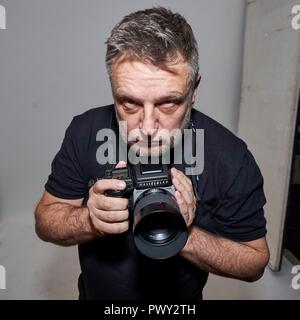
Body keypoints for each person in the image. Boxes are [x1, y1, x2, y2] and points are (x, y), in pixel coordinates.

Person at [35, 7, 270, 300]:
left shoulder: (230, 157)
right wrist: (89, 220)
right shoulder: (85, 131)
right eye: (129, 103)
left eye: (168, 103)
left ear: (194, 90)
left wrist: (183, 234)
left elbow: (255, 261)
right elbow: (45, 220)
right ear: (112, 90)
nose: (147, 127)